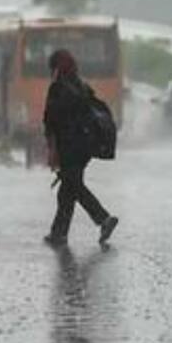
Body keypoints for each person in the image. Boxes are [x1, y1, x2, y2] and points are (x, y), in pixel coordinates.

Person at [43, 49, 119, 246]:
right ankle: (58, 233)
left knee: (74, 186)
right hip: (86, 146)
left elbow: (50, 120)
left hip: (69, 147)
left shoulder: (58, 88)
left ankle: (103, 218)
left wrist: (52, 149)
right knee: (68, 189)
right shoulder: (82, 86)